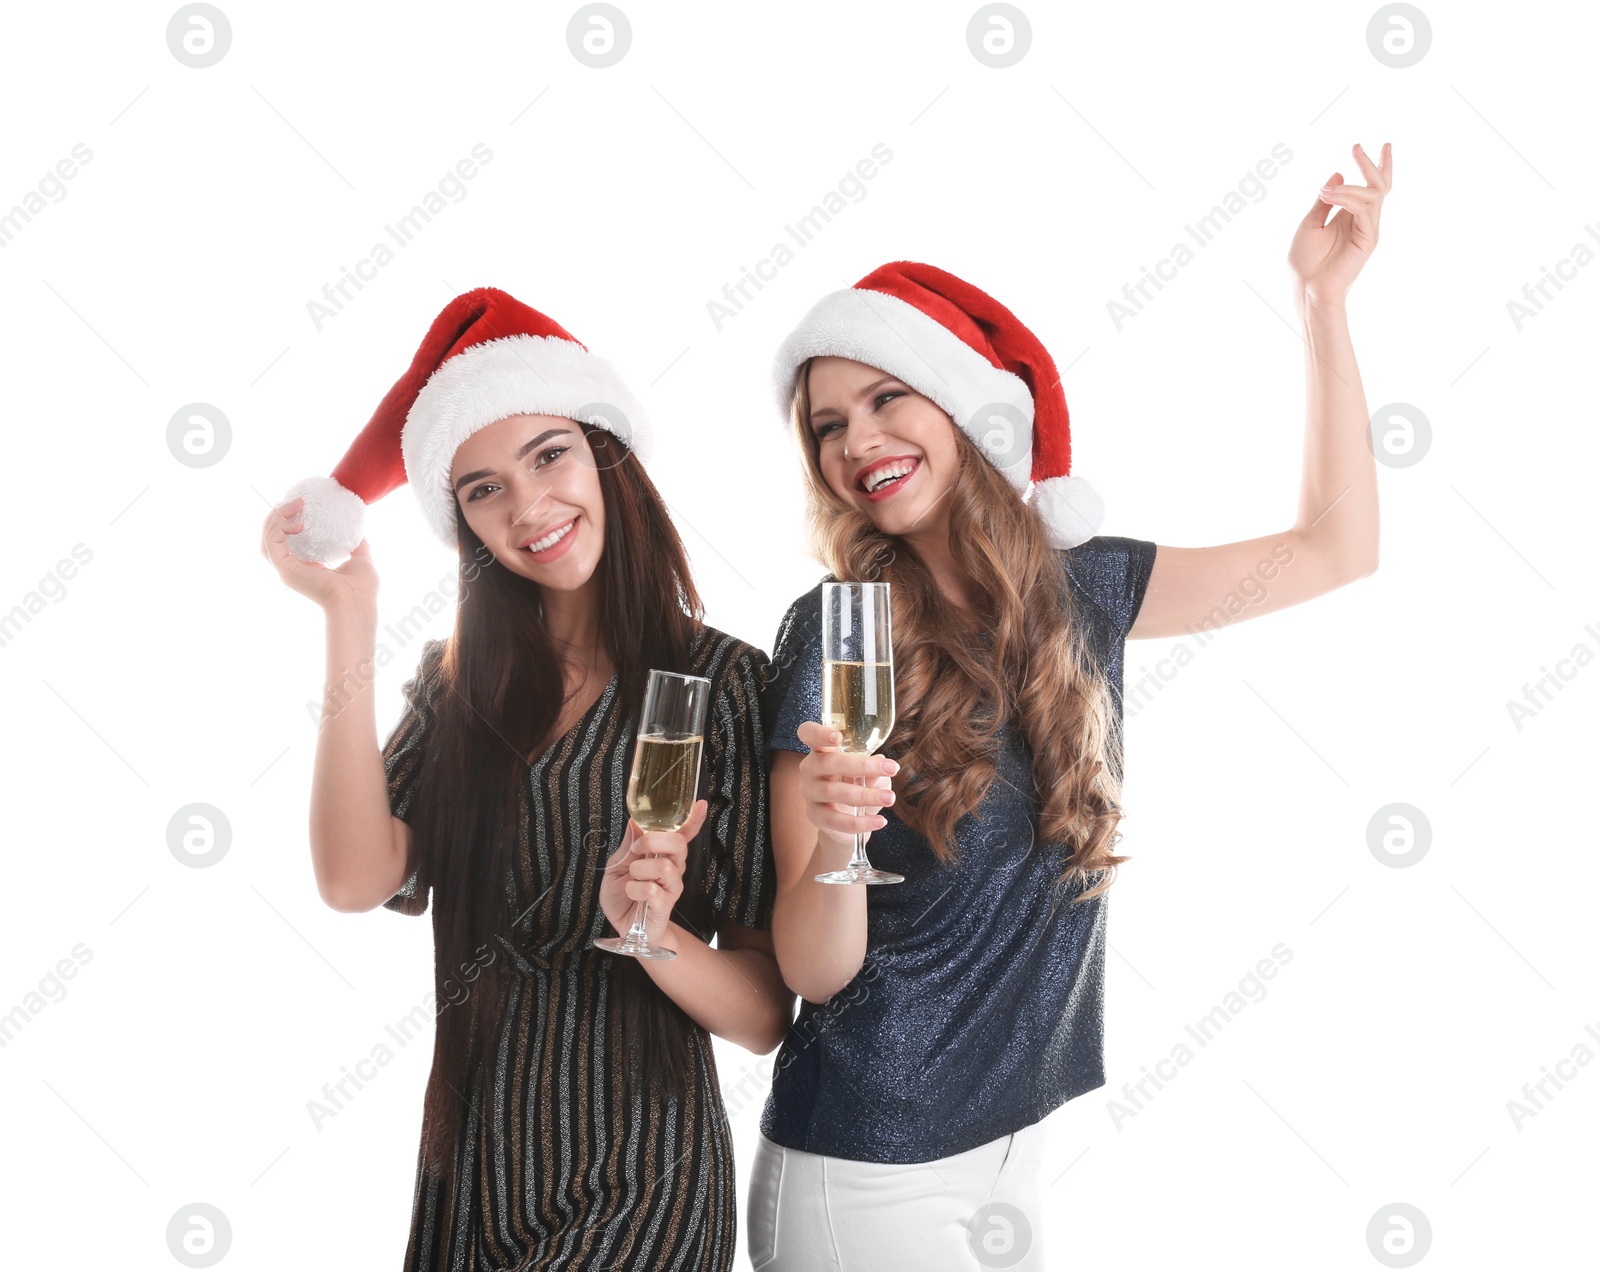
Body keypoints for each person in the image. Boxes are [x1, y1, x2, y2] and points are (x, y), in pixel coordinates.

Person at [747, 145, 1392, 1269]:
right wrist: (837, 843)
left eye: (885, 397)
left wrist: (1319, 303)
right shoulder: (837, 633)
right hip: (864, 1166)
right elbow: (809, 971)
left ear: (961, 404)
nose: (857, 443)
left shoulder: (1081, 591)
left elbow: (1333, 550)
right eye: (826, 426)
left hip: (1007, 1151)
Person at [259, 287, 790, 1271]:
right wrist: (349, 619)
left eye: (549, 456)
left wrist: (653, 933)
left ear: (604, 456)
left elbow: (763, 1016)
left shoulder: (725, 685)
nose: (529, 506)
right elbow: (353, 878)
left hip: (643, 1183)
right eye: (482, 488)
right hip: (472, 1178)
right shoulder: (460, 689)